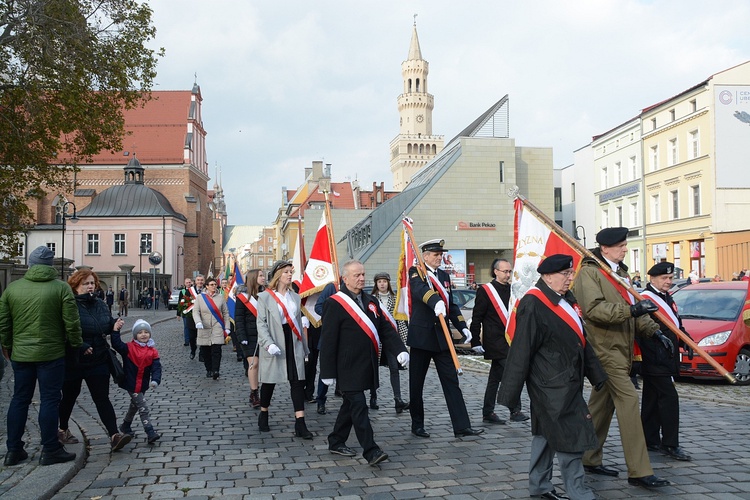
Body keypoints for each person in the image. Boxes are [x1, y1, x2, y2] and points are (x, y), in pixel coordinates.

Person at [499, 254, 607, 500]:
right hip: (550, 384)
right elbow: (521, 349)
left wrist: (596, 374)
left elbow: (581, 342)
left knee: (546, 433)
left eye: (571, 273)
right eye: (565, 274)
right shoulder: (533, 303)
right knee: (571, 433)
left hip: (567, 380)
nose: (570, 278)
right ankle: (578, 492)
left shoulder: (565, 299)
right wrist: (510, 393)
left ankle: (539, 484)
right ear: (547, 276)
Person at [572, 227, 671, 489]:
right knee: (628, 400)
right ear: (605, 248)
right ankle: (639, 470)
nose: (625, 249)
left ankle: (588, 457)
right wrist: (631, 309)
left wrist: (654, 332)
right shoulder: (590, 272)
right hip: (603, 350)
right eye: (620, 246)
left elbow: (636, 311)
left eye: (625, 245)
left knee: (600, 406)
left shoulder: (621, 273)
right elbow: (594, 310)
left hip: (622, 349)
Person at [321, 260, 410, 466]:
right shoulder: (334, 303)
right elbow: (328, 340)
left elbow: (385, 328)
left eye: (363, 274)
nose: (361, 278)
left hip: (366, 364)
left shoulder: (371, 300)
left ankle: (336, 440)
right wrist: (327, 371)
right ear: (345, 278)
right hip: (346, 366)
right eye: (356, 275)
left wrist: (399, 349)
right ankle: (371, 450)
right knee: (359, 405)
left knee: (350, 406)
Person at [1, 246, 82, 466]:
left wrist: (7, 346)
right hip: (51, 353)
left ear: (30, 264)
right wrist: (75, 346)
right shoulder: (61, 288)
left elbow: (4, 323)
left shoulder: (13, 289)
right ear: (50, 266)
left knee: (19, 399)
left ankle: (14, 450)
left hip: (21, 354)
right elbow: (72, 323)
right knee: (50, 400)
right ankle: (50, 449)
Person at [407, 238, 483, 438]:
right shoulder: (416, 272)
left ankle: (462, 426)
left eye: (441, 255)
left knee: (451, 382)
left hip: (442, 337)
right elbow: (419, 290)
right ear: (425, 256)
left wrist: (461, 325)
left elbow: (451, 304)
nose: (439, 258)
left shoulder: (443, 276)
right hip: (422, 337)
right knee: (416, 384)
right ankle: (417, 424)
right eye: (435, 255)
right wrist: (434, 301)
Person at [58, 269, 132, 452]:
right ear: (75, 286)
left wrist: (114, 325)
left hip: (98, 358)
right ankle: (62, 429)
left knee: (101, 398)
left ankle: (115, 435)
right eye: (86, 283)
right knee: (69, 396)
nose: (90, 286)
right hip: (74, 360)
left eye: (92, 283)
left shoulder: (100, 303)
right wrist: (81, 345)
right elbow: (64, 331)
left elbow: (104, 326)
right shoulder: (69, 304)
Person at [638, 262, 691, 461]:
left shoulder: (667, 298)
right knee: (669, 398)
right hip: (653, 356)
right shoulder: (645, 298)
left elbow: (676, 323)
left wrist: (686, 340)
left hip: (666, 357)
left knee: (652, 399)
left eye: (670, 278)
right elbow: (642, 329)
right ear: (652, 279)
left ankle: (649, 438)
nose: (669, 282)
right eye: (664, 278)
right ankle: (670, 443)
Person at [256, 260, 312, 439]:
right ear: (278, 275)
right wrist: (268, 343)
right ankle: (263, 412)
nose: (290, 275)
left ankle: (300, 423)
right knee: (269, 381)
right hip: (275, 340)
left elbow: (296, 318)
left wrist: (304, 343)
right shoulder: (265, 297)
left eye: (291, 272)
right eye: (287, 272)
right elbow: (261, 324)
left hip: (293, 340)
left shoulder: (295, 297)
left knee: (297, 381)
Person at [470, 258, 528, 424]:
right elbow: (477, 317)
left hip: (510, 340)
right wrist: (475, 340)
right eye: (505, 271)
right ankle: (514, 409)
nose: (508, 274)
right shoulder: (486, 290)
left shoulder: (512, 289)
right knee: (512, 373)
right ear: (495, 271)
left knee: (495, 379)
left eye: (510, 271)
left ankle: (488, 412)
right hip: (495, 341)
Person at [111, 319, 162, 444]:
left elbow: (156, 368)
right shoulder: (129, 348)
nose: (143, 334)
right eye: (140, 332)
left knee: (134, 406)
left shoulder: (152, 351)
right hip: (131, 383)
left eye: (146, 332)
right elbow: (116, 344)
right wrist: (115, 331)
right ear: (135, 335)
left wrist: (155, 380)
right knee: (143, 407)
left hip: (143, 384)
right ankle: (150, 432)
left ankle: (125, 425)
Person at [371, 272, 410, 414]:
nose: (382, 284)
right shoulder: (370, 299)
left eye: (384, 281)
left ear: (388, 283)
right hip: (375, 339)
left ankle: (397, 399)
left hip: (391, 339)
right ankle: (373, 396)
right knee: (372, 369)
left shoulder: (395, 299)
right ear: (376, 284)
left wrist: (403, 342)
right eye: (379, 281)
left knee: (394, 368)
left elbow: (400, 321)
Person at [235, 268, 265, 408]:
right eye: (260, 275)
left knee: (263, 366)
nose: (263, 278)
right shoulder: (242, 298)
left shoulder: (265, 295)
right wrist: (242, 337)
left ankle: (260, 391)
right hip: (249, 336)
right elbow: (239, 319)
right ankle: (254, 392)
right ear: (253, 278)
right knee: (254, 363)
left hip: (264, 335)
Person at [192, 277, 231, 380]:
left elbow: (225, 313)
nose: (214, 286)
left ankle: (216, 370)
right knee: (206, 350)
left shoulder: (220, 297)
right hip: (204, 326)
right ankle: (209, 369)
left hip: (217, 325)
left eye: (215, 284)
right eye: (212, 285)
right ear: (207, 286)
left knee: (216, 349)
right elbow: (195, 311)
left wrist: (227, 327)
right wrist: (198, 322)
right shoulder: (200, 298)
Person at [178, 276, 204, 359]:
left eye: (201, 280)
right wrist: (182, 312)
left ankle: (201, 353)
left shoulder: (206, 291)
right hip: (191, 317)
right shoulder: (189, 291)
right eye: (198, 280)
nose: (200, 282)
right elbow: (183, 302)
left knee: (203, 337)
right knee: (192, 337)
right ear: (195, 281)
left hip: (204, 317)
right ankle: (193, 350)